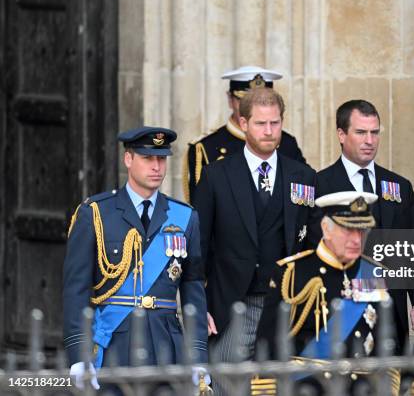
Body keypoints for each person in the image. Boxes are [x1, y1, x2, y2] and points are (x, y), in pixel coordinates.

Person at [63, 127, 209, 391]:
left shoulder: (184, 216)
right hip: (112, 345)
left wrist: (199, 357)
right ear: (128, 159)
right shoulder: (95, 213)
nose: (156, 166)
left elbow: (193, 289)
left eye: (162, 159)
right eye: (147, 158)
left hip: (167, 346)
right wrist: (78, 355)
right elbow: (77, 290)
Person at [192, 87, 316, 392]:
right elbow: (198, 247)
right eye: (261, 123)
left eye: (275, 123)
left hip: (286, 305)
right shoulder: (216, 176)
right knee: (225, 386)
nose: (269, 131)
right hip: (232, 304)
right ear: (243, 123)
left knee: (279, 388)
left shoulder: (303, 176)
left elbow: (312, 245)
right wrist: (200, 305)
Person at [253, 191, 407, 396]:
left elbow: (387, 343)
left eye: (362, 231)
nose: (356, 239)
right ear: (326, 228)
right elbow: (268, 348)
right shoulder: (293, 273)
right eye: (348, 231)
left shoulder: (373, 273)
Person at [316, 99, 414, 332]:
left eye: (375, 133)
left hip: (392, 307)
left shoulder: (399, 185)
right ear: (341, 134)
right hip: (342, 307)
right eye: (360, 132)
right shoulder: (320, 184)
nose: (369, 141)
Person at [183, 65, 306, 203]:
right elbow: (201, 211)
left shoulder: (287, 143)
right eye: (245, 100)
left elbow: (303, 200)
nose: (252, 107)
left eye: (262, 101)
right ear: (230, 99)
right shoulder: (206, 148)